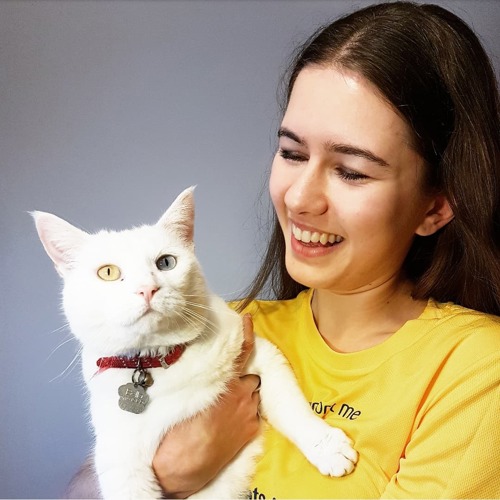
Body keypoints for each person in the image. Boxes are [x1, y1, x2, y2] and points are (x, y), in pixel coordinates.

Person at [151, 1, 500, 498]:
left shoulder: (476, 370)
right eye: (292, 153)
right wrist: (163, 474)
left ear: (436, 207)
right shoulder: (229, 327)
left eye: (351, 171)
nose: (298, 197)